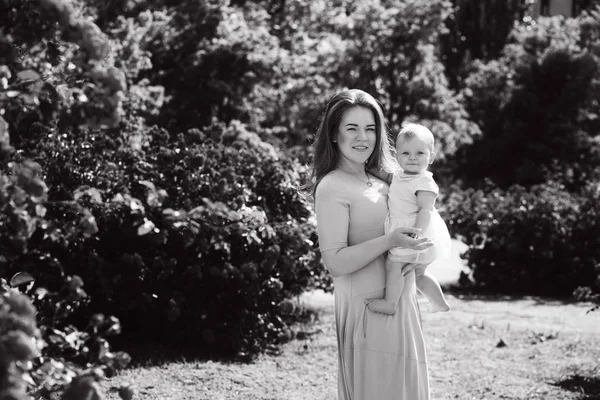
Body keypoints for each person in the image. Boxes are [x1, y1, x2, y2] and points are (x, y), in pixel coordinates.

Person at [309, 89, 434, 400]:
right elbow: (335, 262)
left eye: (371, 128)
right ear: (334, 135)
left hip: (399, 303)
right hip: (367, 310)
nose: (362, 137)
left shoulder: (384, 181)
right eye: (351, 128)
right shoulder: (332, 186)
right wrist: (390, 240)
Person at [366, 123, 452, 315]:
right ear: (397, 156)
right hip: (410, 233)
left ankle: (390, 303)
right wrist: (365, 167)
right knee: (419, 274)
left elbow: (425, 211)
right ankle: (439, 303)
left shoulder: (424, 182)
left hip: (413, 233)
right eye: (405, 153)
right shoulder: (399, 175)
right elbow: (381, 173)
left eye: (420, 153)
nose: (412, 157)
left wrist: (415, 234)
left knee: (393, 266)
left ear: (431, 157)